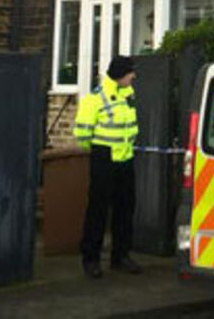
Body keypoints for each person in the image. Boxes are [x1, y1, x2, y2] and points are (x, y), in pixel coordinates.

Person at [74, 55, 141, 278]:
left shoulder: (128, 93)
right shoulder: (95, 98)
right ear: (120, 73)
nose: (134, 76)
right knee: (98, 211)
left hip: (126, 158)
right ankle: (91, 259)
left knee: (125, 210)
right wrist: (100, 149)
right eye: (130, 72)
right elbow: (82, 134)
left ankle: (120, 256)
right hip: (104, 158)